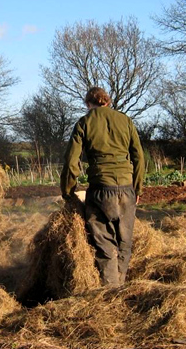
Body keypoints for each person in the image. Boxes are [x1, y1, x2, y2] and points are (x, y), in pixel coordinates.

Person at [61, 87, 145, 287]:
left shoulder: (84, 122)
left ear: (88, 104)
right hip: (126, 188)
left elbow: (72, 160)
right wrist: (138, 188)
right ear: (107, 101)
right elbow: (139, 157)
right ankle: (120, 282)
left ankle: (111, 289)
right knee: (125, 241)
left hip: (100, 189)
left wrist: (68, 191)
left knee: (104, 243)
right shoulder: (125, 120)